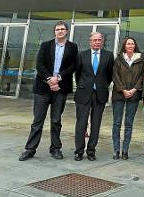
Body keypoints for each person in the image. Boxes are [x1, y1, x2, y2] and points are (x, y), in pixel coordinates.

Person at [19, 21, 78, 161]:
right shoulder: (46, 45)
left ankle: (55, 148)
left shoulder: (73, 47)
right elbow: (39, 64)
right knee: (38, 121)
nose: (60, 31)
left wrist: (58, 78)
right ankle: (30, 149)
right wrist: (49, 79)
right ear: (54, 32)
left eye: (62, 29)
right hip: (42, 89)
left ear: (67, 31)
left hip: (60, 88)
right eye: (57, 29)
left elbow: (73, 66)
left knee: (56, 120)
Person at [74, 32, 114, 161]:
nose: (97, 42)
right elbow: (78, 73)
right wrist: (86, 84)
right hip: (83, 92)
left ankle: (91, 150)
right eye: (94, 40)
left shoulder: (108, 55)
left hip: (100, 94)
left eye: (99, 40)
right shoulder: (82, 55)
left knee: (96, 124)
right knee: (81, 124)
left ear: (102, 42)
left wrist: (101, 85)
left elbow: (109, 75)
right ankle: (79, 151)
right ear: (90, 42)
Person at [111, 37, 144, 160]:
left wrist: (134, 89)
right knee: (117, 123)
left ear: (135, 46)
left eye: (132, 44)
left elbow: (143, 76)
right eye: (128, 44)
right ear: (124, 46)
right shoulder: (118, 59)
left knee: (129, 124)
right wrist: (123, 90)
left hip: (134, 95)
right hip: (119, 94)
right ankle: (116, 150)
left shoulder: (140, 60)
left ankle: (125, 150)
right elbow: (115, 75)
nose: (130, 45)